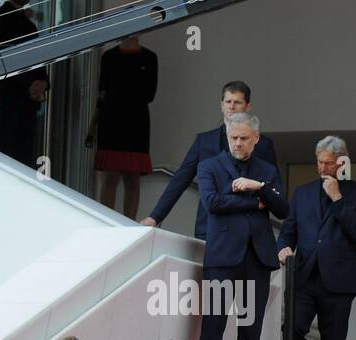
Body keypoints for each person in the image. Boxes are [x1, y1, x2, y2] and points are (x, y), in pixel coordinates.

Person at [195, 112, 289, 340]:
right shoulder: (209, 165)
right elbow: (213, 202)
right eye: (233, 137)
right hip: (222, 256)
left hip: (257, 258)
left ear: (256, 138)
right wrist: (254, 201)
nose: (238, 143)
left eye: (244, 138)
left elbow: (282, 208)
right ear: (227, 135)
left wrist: (258, 186)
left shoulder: (266, 169)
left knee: (251, 328)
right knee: (213, 324)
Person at [278, 135, 356, 340]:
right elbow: (288, 231)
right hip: (305, 276)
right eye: (320, 163)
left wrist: (337, 198)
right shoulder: (303, 193)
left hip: (339, 282)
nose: (323, 169)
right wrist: (283, 247)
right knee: (293, 331)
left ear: (342, 162)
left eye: (329, 163)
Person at [141, 81, 278, 238]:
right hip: (209, 226)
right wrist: (155, 216)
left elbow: (274, 187)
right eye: (228, 102)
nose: (232, 106)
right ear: (221, 105)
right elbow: (180, 179)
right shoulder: (204, 141)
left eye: (237, 102)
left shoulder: (263, 144)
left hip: (249, 228)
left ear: (247, 107)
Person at [88, 36, 158, 220]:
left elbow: (149, 94)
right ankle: (107, 222)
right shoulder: (109, 56)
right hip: (111, 120)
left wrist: (118, 93)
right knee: (110, 176)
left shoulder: (149, 57)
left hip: (136, 121)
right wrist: (93, 125)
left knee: (132, 178)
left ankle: (129, 225)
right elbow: (102, 92)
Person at [0, 0, 49, 167]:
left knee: (17, 161)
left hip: (21, 105)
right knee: (11, 162)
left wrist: (42, 83)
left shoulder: (27, 24)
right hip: (6, 104)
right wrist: (36, 84)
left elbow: (38, 62)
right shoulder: (1, 19)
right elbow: (1, 63)